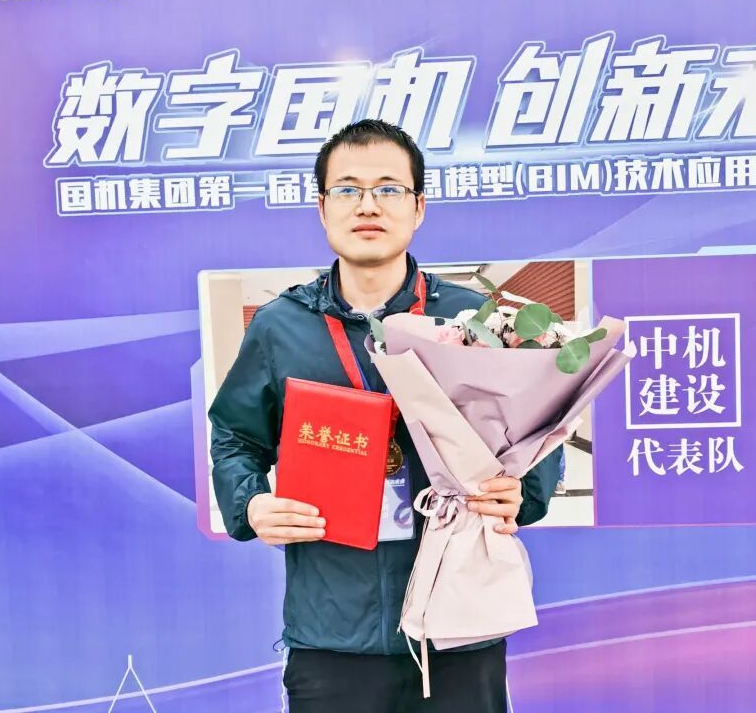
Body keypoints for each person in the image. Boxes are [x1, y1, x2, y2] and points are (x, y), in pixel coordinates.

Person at [209, 119, 562, 713]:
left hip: (459, 623)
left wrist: (521, 491)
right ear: (322, 208)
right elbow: (235, 435)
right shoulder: (280, 326)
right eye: (347, 189)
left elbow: (533, 427)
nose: (367, 205)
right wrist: (249, 504)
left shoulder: (474, 320)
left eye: (389, 189)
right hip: (334, 635)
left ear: (418, 206)